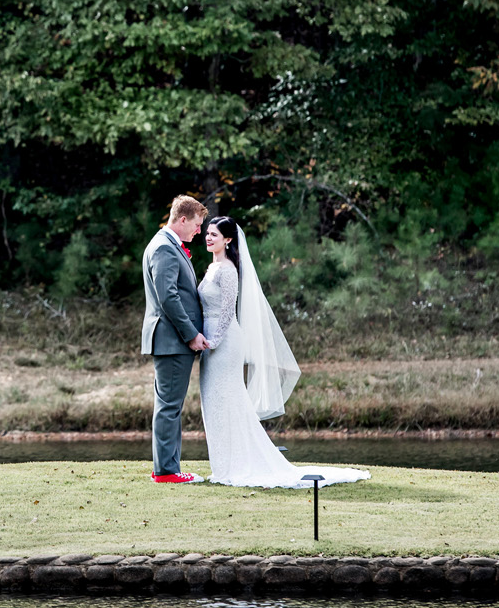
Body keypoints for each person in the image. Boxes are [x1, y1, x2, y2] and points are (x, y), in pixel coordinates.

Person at [198, 215, 369, 488]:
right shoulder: (212, 267)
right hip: (209, 344)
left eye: (214, 234)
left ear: (228, 240)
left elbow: (229, 311)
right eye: (207, 233)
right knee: (214, 401)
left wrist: (214, 342)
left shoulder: (228, 270)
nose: (208, 237)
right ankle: (223, 464)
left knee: (227, 400)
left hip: (224, 343)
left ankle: (235, 466)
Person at [141, 194, 211, 483]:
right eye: (196, 224)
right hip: (173, 341)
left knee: (169, 406)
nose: (198, 231)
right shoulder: (164, 248)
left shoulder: (168, 245)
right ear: (182, 219)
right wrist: (191, 334)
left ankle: (168, 467)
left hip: (171, 341)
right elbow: (167, 297)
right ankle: (167, 472)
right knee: (169, 407)